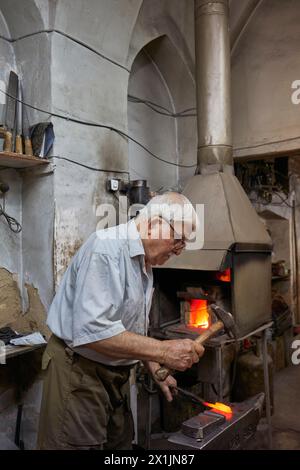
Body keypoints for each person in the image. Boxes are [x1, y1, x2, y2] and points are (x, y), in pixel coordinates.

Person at [37, 192, 204, 450]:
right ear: (153, 224)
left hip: (116, 374)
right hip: (79, 370)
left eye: (184, 244)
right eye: (178, 239)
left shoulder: (145, 263)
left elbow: (129, 325)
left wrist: (151, 364)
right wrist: (163, 350)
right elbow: (94, 331)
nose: (179, 250)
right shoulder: (106, 249)